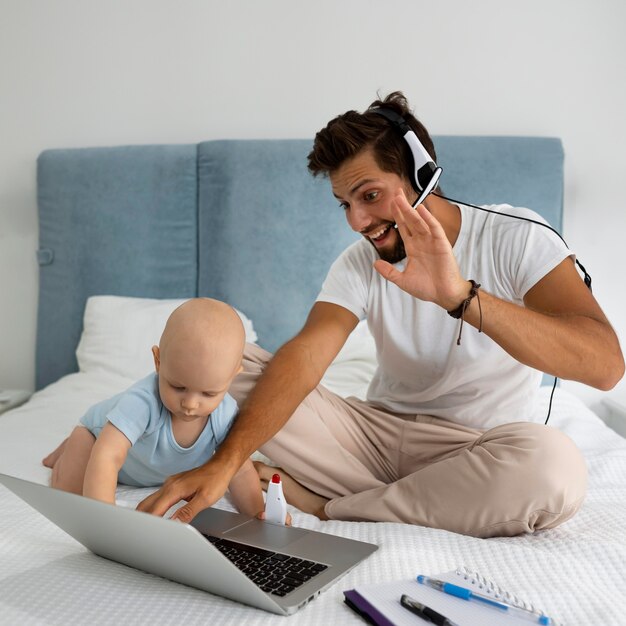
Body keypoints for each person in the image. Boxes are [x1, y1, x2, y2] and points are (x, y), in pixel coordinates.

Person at [137, 92, 624, 537]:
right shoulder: (358, 264)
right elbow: (305, 357)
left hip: (475, 451)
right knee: (223, 361)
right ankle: (405, 499)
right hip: (370, 441)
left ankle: (332, 507)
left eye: (368, 196)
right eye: (344, 204)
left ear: (422, 175)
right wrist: (229, 461)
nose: (356, 221)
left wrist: (460, 297)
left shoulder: (517, 238)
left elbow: (604, 366)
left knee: (554, 468)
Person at [42, 298, 265, 519]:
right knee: (68, 494)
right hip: (97, 437)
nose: (190, 404)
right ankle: (67, 449)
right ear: (158, 361)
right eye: (178, 387)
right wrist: (105, 520)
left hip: (144, 468)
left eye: (208, 394)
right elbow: (107, 456)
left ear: (233, 375)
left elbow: (241, 470)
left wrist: (258, 515)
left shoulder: (224, 414)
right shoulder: (143, 401)